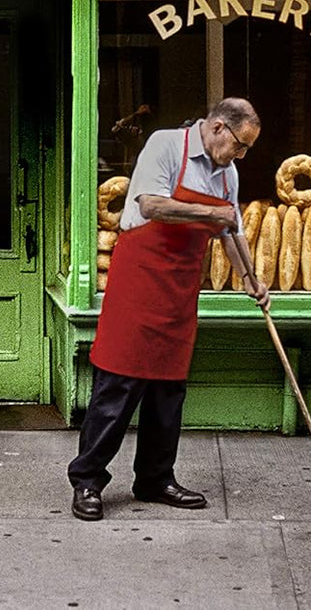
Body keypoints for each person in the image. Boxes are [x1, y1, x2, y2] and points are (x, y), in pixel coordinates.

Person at [68, 97, 270, 522]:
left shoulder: (227, 173)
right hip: (139, 281)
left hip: (179, 290)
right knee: (117, 388)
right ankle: (87, 479)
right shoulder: (165, 146)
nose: (241, 154)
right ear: (217, 127)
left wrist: (251, 280)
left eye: (246, 149)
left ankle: (155, 479)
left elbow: (230, 230)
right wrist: (210, 212)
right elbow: (150, 205)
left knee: (168, 392)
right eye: (240, 145)